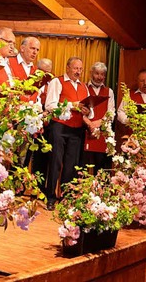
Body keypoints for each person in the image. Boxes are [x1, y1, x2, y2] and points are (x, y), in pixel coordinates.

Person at [43, 57, 91, 208]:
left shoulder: (84, 87)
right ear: (68, 68)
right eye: (75, 68)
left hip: (76, 130)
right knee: (55, 162)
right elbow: (50, 105)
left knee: (71, 165)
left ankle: (64, 198)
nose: (78, 72)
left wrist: (87, 111)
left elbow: (90, 111)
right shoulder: (57, 82)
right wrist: (72, 105)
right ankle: (50, 197)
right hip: (59, 127)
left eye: (80, 69)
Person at [81, 62, 115, 171]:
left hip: (102, 133)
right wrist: (89, 124)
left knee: (100, 168)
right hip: (85, 131)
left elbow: (111, 112)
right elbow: (79, 109)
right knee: (83, 167)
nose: (99, 77)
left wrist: (99, 123)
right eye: (97, 74)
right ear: (91, 73)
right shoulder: (83, 87)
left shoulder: (109, 91)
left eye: (102, 74)